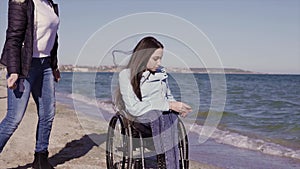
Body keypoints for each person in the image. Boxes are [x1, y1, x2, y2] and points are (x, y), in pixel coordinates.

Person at [115, 36, 192, 169]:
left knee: (171, 115)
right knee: (155, 114)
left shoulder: (161, 73)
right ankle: (168, 163)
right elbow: (134, 109)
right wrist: (168, 106)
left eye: (161, 58)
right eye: (155, 59)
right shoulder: (126, 75)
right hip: (140, 120)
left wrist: (178, 106)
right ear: (144, 57)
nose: (159, 62)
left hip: (162, 119)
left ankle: (171, 165)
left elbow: (168, 96)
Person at [0, 0, 60, 168]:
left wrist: (54, 66)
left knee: (48, 114)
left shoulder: (49, 4)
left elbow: (53, 38)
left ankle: (40, 158)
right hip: (24, 66)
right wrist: (13, 70)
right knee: (14, 118)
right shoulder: (21, 1)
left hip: (46, 66)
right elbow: (13, 37)